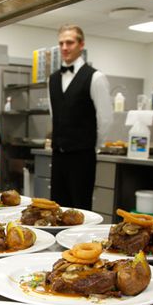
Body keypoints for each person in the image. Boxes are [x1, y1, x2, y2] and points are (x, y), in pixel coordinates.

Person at [48, 24, 113, 210]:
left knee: (81, 209)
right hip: (58, 155)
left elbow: (105, 119)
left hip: (82, 156)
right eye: (61, 43)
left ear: (81, 45)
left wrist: (90, 145)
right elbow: (55, 114)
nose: (64, 47)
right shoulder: (52, 79)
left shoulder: (95, 77)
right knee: (57, 209)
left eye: (69, 42)